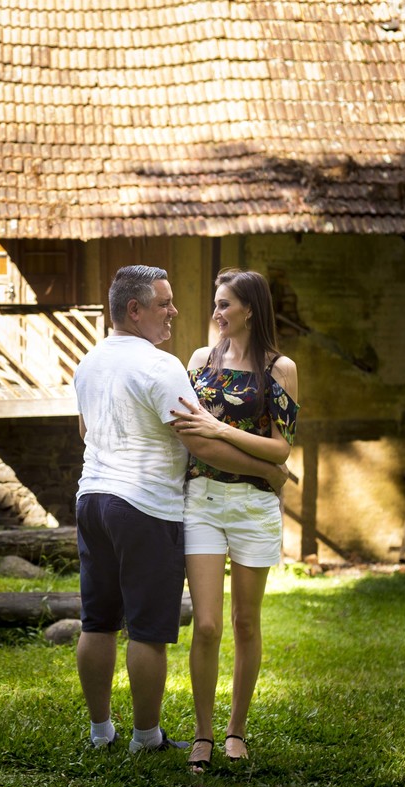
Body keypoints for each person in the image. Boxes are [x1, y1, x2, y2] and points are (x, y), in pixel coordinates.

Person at [73, 265, 285, 754]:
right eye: (164, 303)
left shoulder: (90, 361)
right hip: (143, 507)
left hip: (91, 498)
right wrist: (268, 472)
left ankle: (101, 731)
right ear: (135, 309)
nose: (174, 312)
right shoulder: (161, 365)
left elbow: (85, 432)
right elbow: (202, 444)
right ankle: (146, 737)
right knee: (146, 629)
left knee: (97, 622)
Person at [167, 269, 299, 771]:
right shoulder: (201, 361)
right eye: (216, 304)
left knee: (246, 622)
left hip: (253, 507)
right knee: (205, 625)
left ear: (250, 309)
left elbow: (283, 446)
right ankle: (202, 733)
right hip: (201, 498)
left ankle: (236, 730)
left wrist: (219, 427)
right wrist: (266, 464)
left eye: (225, 305)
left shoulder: (280, 368)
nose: (216, 313)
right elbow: (188, 429)